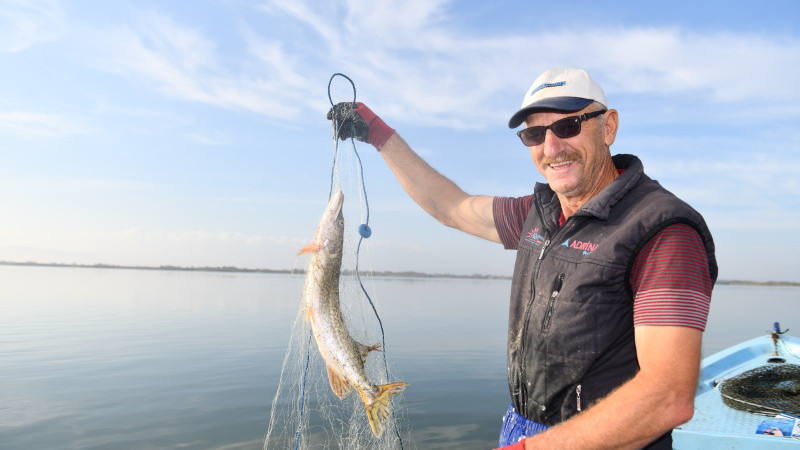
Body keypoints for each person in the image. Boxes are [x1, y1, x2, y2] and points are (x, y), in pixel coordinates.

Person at [327, 67, 717, 449]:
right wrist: (378, 134)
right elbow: (452, 207)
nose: (551, 148)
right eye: (534, 133)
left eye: (569, 126)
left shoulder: (663, 231)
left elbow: (668, 394)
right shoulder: (538, 215)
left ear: (608, 126)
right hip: (524, 429)